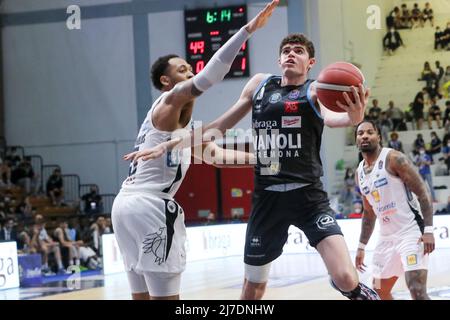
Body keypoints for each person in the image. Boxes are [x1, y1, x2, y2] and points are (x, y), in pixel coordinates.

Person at [127, 33, 380, 300]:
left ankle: (352, 287)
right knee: (252, 290)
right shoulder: (260, 84)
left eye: (299, 51)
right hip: (267, 198)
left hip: (308, 196)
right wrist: (169, 145)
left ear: (311, 62)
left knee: (345, 278)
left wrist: (354, 117)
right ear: (279, 58)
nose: (291, 54)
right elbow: (219, 127)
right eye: (286, 50)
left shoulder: (316, 90)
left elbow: (334, 119)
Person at [111, 1, 279, 301]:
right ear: (167, 81)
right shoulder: (169, 100)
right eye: (182, 69)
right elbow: (210, 76)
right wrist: (247, 30)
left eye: (189, 67)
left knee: (142, 296)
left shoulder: (178, 131)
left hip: (125, 208)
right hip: (150, 205)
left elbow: (216, 155)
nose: (190, 72)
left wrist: (263, 159)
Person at [354, 120, 435, 300]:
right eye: (360, 134)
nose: (365, 136)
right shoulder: (359, 172)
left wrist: (428, 230)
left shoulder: (394, 158)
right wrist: (361, 246)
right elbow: (368, 212)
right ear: (356, 141)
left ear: (379, 137)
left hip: (411, 233)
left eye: (369, 132)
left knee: (417, 290)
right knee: (378, 291)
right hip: (386, 239)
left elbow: (423, 192)